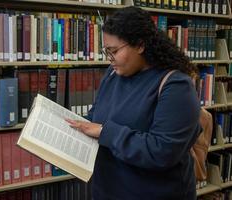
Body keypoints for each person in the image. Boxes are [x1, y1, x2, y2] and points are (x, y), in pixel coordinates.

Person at [65, 6, 201, 200]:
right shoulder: (113, 74)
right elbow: (96, 116)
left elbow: (161, 152)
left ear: (140, 45)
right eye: (106, 51)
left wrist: (105, 132)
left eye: (114, 51)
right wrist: (70, 130)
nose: (109, 59)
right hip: (107, 190)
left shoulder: (176, 86)